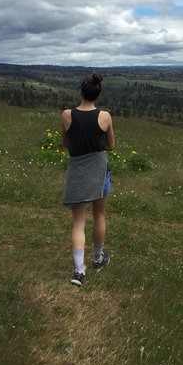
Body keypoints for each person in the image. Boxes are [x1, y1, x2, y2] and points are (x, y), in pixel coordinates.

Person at [62, 72, 115, 286]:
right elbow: (111, 146)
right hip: (100, 170)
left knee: (78, 222)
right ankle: (98, 258)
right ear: (97, 94)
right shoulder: (105, 116)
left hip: (77, 170)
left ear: (80, 92)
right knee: (99, 216)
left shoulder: (67, 114)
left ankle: (79, 271)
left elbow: (65, 143)